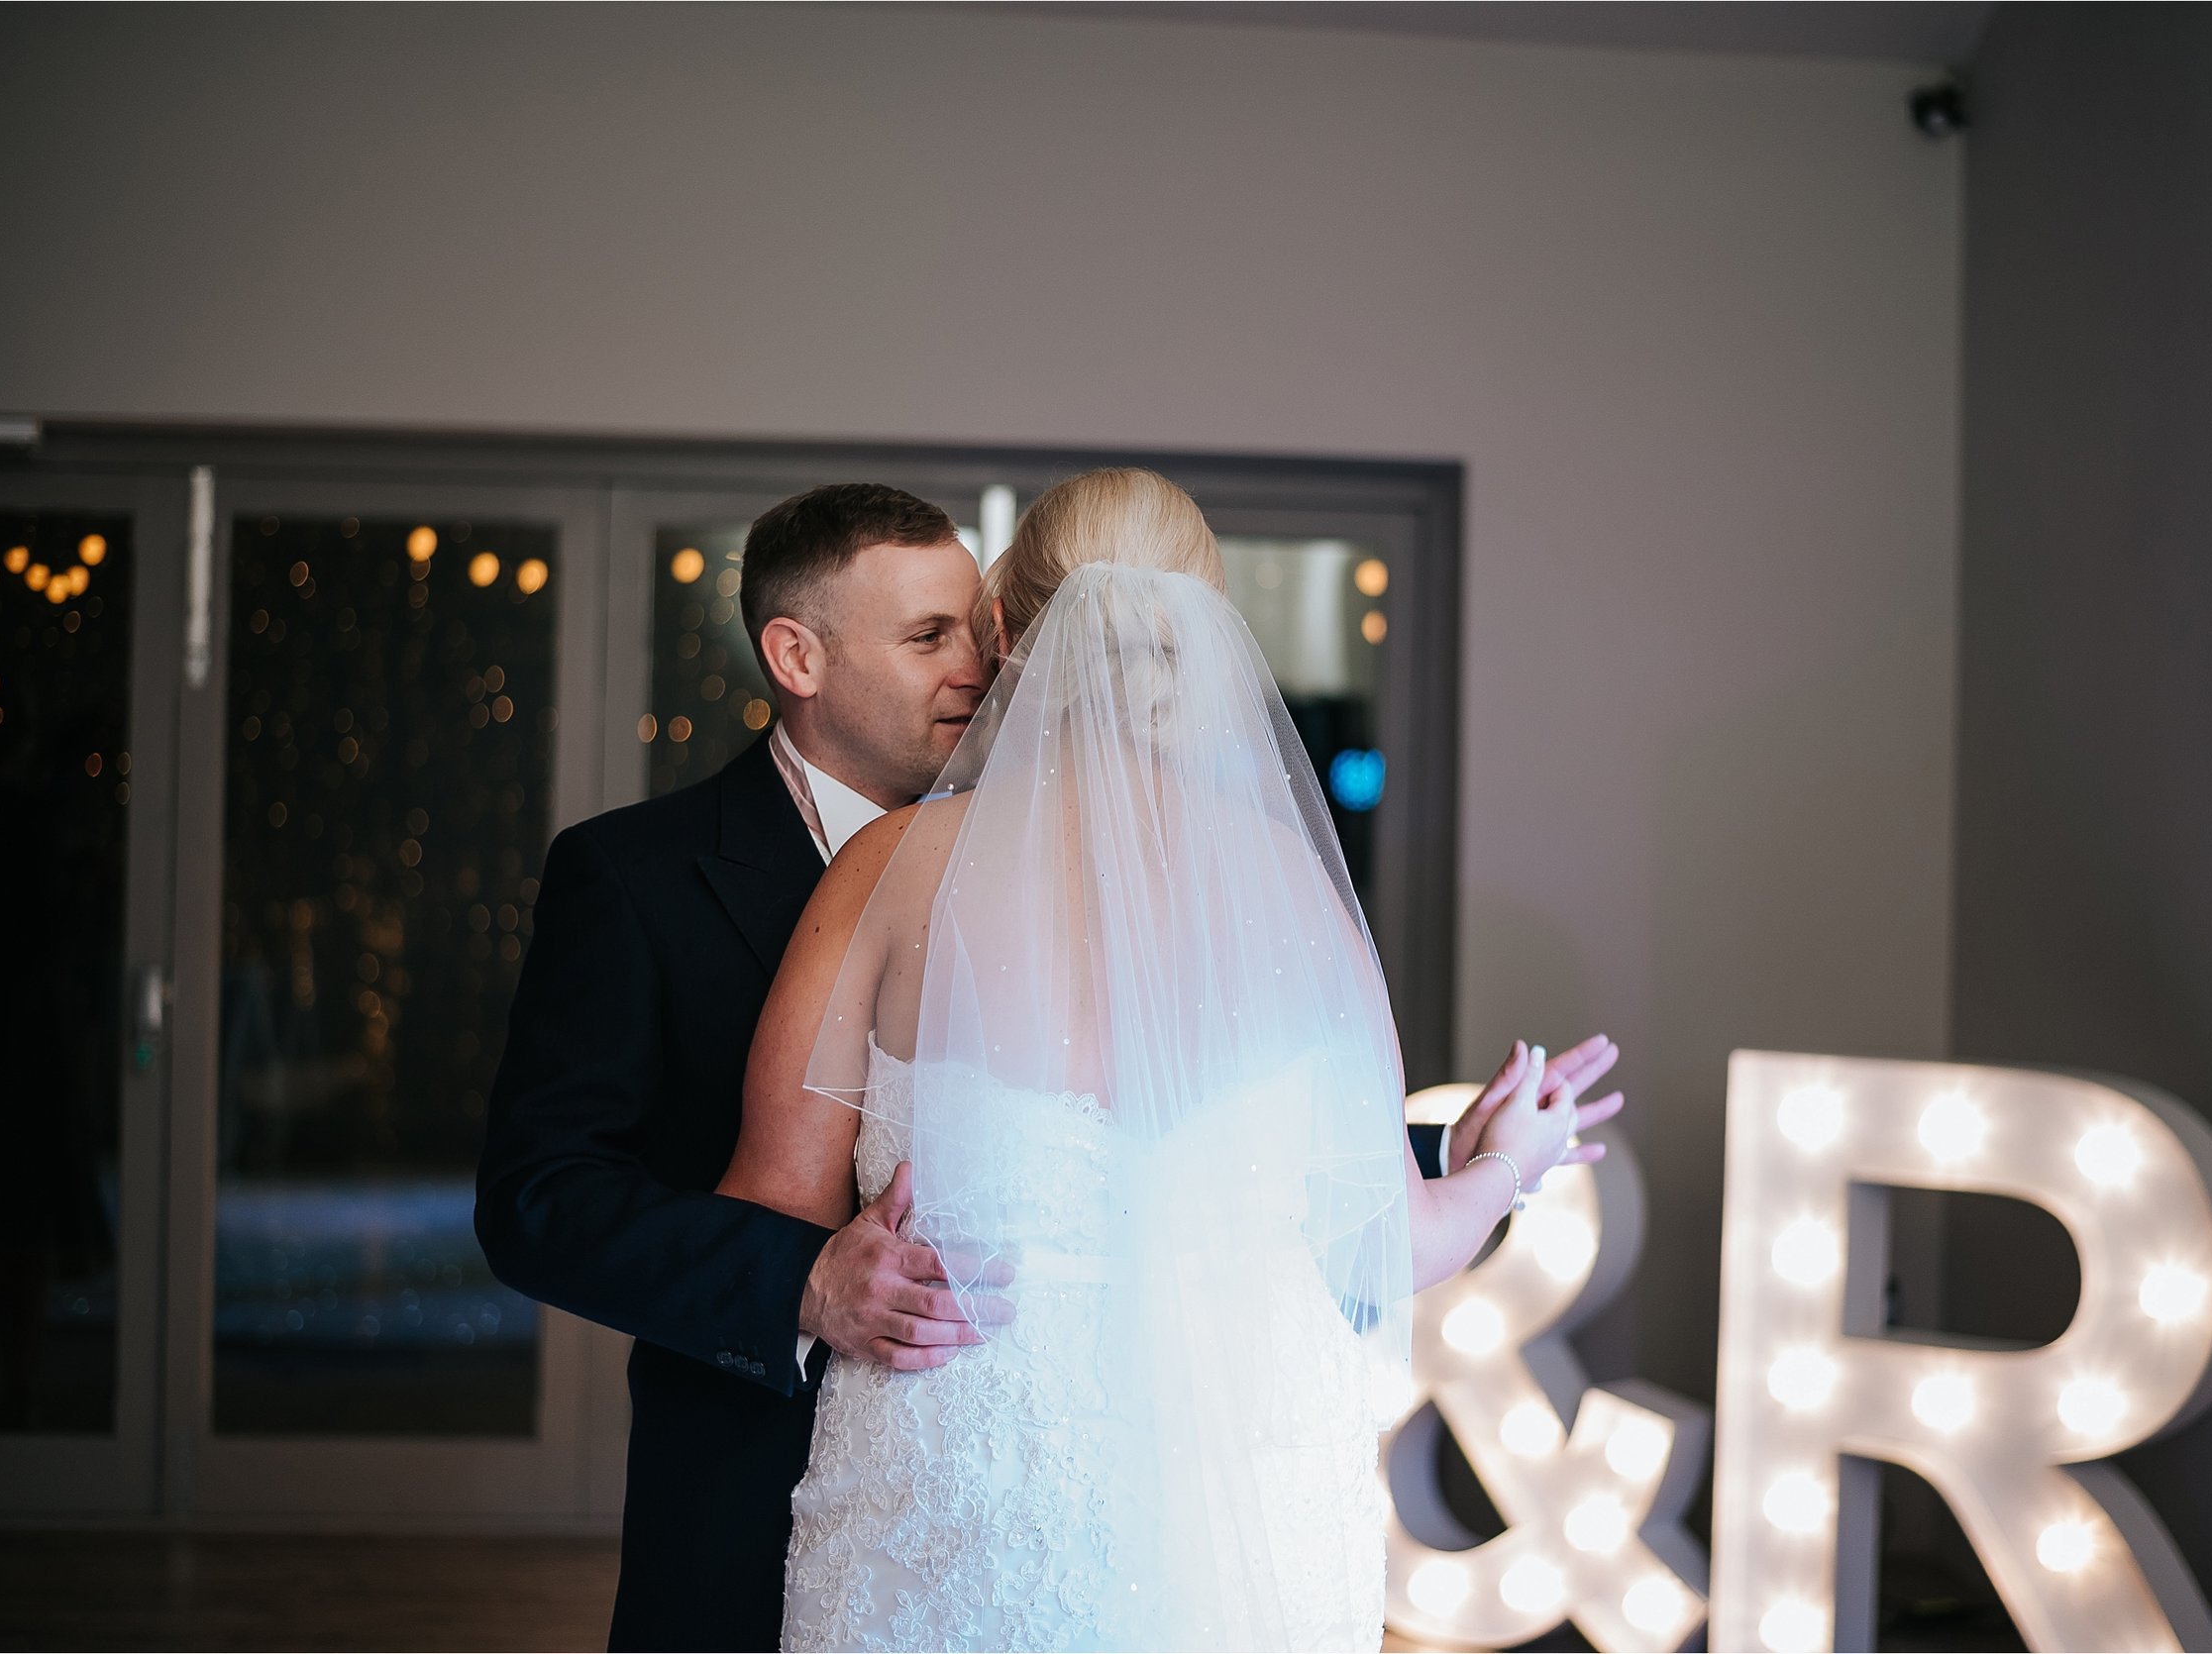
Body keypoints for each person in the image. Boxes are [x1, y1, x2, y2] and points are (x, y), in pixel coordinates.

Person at [718, 468, 1625, 1651]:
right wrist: (1507, 1162)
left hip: (956, 1486)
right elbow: (1389, 1244)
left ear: (1005, 632)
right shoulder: (1297, 892)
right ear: (1202, 635)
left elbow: (770, 1207)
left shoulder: (888, 871)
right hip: (1244, 1497)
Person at [475, 484, 1015, 1650]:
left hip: (994, 1486)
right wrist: (800, 1280)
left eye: (976, 627)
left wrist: (1440, 1153)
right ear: (796, 655)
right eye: (928, 636)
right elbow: (537, 1199)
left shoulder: (1030, 861)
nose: (975, 664)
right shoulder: (633, 875)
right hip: (744, 1472)